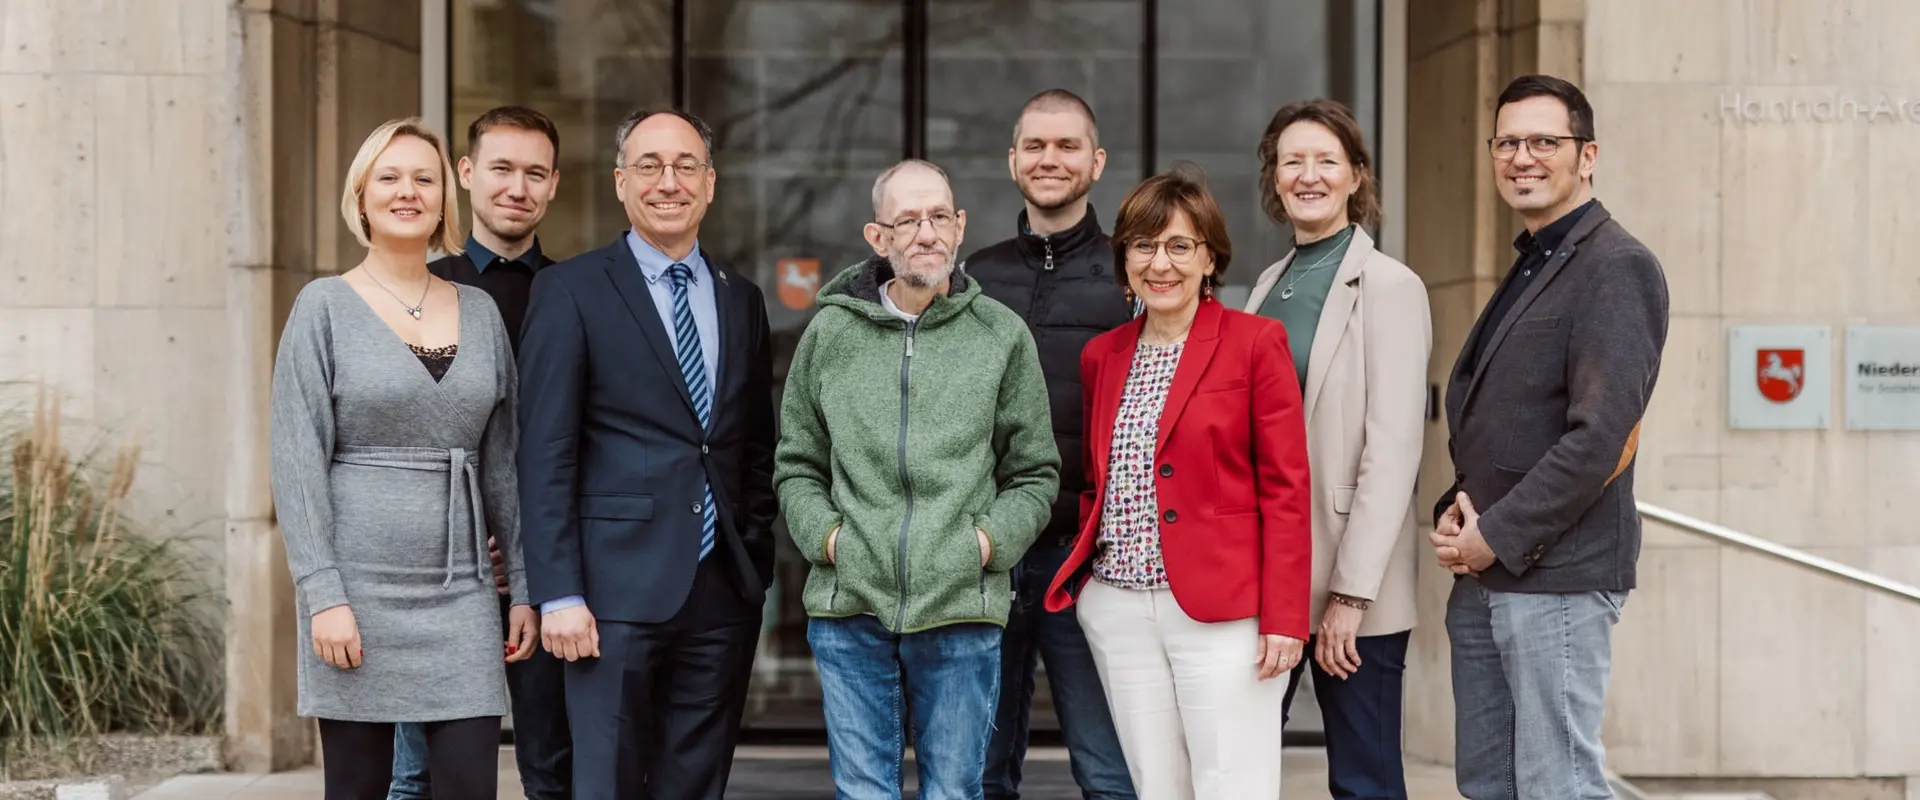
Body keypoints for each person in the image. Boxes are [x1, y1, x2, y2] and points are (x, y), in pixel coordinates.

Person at [774, 158, 1061, 800]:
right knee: (864, 794)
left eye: (939, 216)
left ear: (959, 227)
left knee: (954, 793)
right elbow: (796, 464)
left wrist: (981, 547)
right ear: (879, 237)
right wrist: (831, 542)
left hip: (961, 609)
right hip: (851, 611)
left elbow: (1035, 473)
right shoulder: (830, 333)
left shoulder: (1000, 336)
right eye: (908, 219)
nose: (926, 232)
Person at [268, 116, 536, 800]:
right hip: (355, 593)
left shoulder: (478, 312)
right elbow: (297, 460)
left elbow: (502, 462)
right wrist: (322, 594)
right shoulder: (322, 307)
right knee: (357, 789)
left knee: (470, 786)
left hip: (463, 596)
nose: (407, 192)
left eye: (424, 178)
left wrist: (526, 590)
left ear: (446, 197)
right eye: (389, 177)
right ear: (362, 197)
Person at [516, 108, 778, 800]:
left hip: (722, 589)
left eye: (686, 165)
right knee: (606, 784)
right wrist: (558, 592)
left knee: (696, 783)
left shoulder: (742, 300)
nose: (670, 182)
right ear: (620, 183)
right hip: (608, 597)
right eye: (651, 166)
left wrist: (753, 552)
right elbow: (544, 454)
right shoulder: (569, 290)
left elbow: (753, 445)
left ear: (711, 183)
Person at [1429, 74, 1668, 800]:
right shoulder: (1538, 257)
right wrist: (1460, 504)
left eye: (1544, 141)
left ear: (1586, 155)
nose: (1522, 156)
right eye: (1508, 141)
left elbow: (1600, 438)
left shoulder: (1614, 266)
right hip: (1489, 573)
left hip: (1555, 578)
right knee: (1490, 785)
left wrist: (1494, 533)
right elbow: (1511, 417)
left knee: (1556, 783)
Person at [1044, 162, 1313, 799]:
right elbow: (1098, 480)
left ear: (1210, 258)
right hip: (1120, 606)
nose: (1160, 263)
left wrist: (1284, 617)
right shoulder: (1102, 355)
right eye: (1143, 245)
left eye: (1179, 245)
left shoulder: (1254, 342)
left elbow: (1287, 488)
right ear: (1125, 259)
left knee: (1232, 786)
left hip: (1222, 614)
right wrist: (1090, 588)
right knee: (1156, 788)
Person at [1243, 98, 1430, 799]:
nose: (1308, 175)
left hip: (1354, 585)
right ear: (1275, 177)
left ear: (1356, 175)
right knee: (1246, 767)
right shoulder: (1265, 286)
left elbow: (1394, 447)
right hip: (1270, 576)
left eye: (1326, 160)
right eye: (1293, 161)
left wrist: (1351, 596)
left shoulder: (1390, 287)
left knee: (1364, 780)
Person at [389, 105, 572, 800]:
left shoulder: (577, 292)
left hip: (552, 568)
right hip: (440, 569)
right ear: (466, 174)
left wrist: (529, 551)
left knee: (554, 767)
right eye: (500, 169)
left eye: (533, 173)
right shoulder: (417, 291)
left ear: (553, 185)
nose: (516, 187)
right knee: (419, 773)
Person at [961, 88, 1137, 800]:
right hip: (988, 555)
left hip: (1087, 557)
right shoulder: (976, 273)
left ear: (1096, 162)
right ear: (1012, 161)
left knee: (1107, 769)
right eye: (1035, 145)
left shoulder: (1132, 273)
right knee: (980, 768)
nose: (1050, 159)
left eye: (1067, 146)